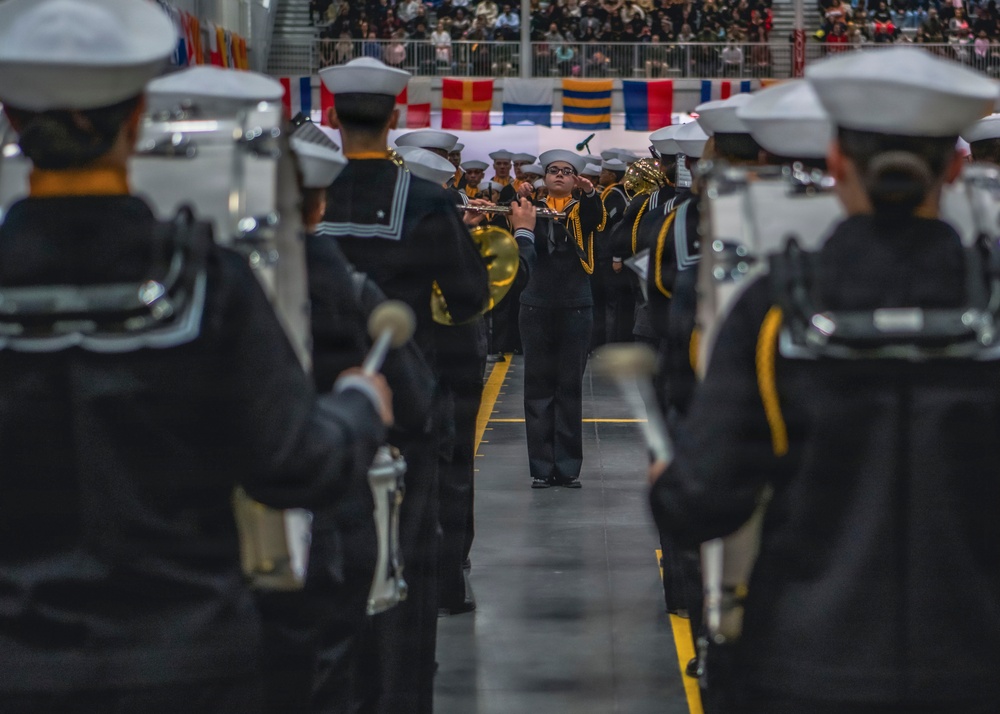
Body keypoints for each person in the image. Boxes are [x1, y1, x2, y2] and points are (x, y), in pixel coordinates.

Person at [0, 2, 391, 713]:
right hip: (185, 664)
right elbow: (294, 466)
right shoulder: (206, 282)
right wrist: (359, 405)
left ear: (13, 120)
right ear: (135, 118)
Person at [650, 47, 1000, 713]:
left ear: (837, 162)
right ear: (955, 167)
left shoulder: (772, 308)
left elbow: (701, 503)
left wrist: (668, 481)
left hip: (806, 667)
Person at [317, 56, 490, 714]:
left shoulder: (307, 194)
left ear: (332, 118)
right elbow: (470, 296)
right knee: (405, 560)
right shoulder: (425, 199)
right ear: (395, 118)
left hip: (316, 401)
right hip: (405, 406)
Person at [517, 150, 605, 488]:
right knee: (537, 386)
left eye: (566, 172)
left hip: (575, 305)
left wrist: (590, 193)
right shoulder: (531, 209)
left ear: (575, 179)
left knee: (569, 387)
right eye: (552, 170)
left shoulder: (582, 209)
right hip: (536, 304)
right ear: (544, 177)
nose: (558, 175)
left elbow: (598, 218)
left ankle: (567, 468)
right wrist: (519, 196)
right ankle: (541, 467)